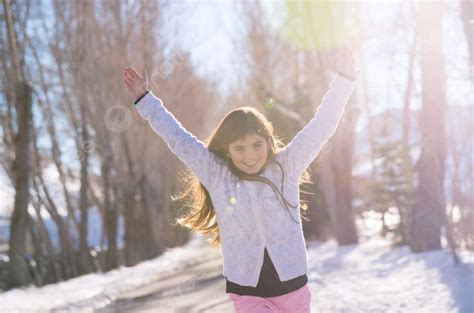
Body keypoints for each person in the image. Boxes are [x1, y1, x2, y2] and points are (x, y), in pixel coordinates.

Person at [123, 47, 358, 313]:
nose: (250, 156)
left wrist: (344, 79)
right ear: (227, 150)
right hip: (248, 293)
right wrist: (145, 99)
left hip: (293, 288)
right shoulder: (217, 175)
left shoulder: (286, 167)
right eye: (239, 148)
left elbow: (321, 126)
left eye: (257, 145)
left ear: (269, 143)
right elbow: (178, 139)